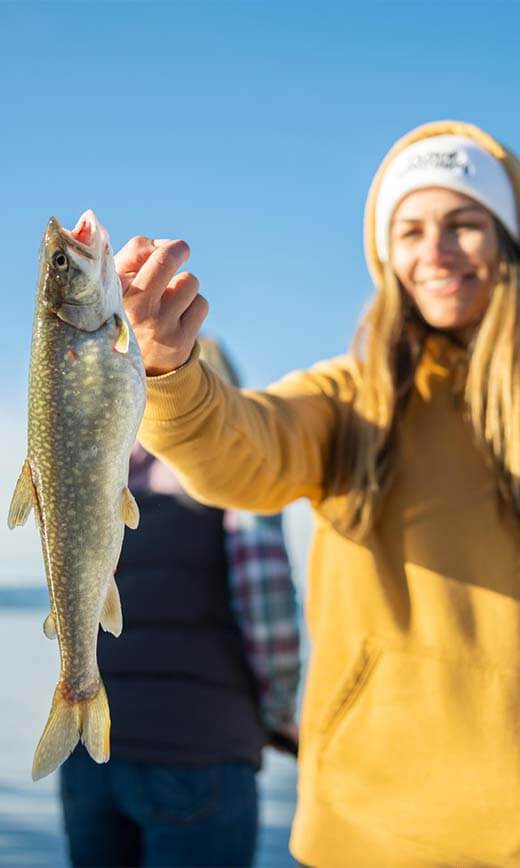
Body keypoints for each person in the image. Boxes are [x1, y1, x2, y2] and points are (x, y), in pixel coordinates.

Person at [116, 119, 520, 867]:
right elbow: (243, 447)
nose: (435, 251)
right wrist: (171, 374)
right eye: (410, 230)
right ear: (385, 254)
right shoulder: (351, 399)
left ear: (507, 240)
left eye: (465, 224)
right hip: (364, 831)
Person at [59, 336, 300, 868]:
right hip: (200, 755)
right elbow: (268, 609)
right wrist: (282, 714)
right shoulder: (241, 473)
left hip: (88, 753)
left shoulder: (105, 475)